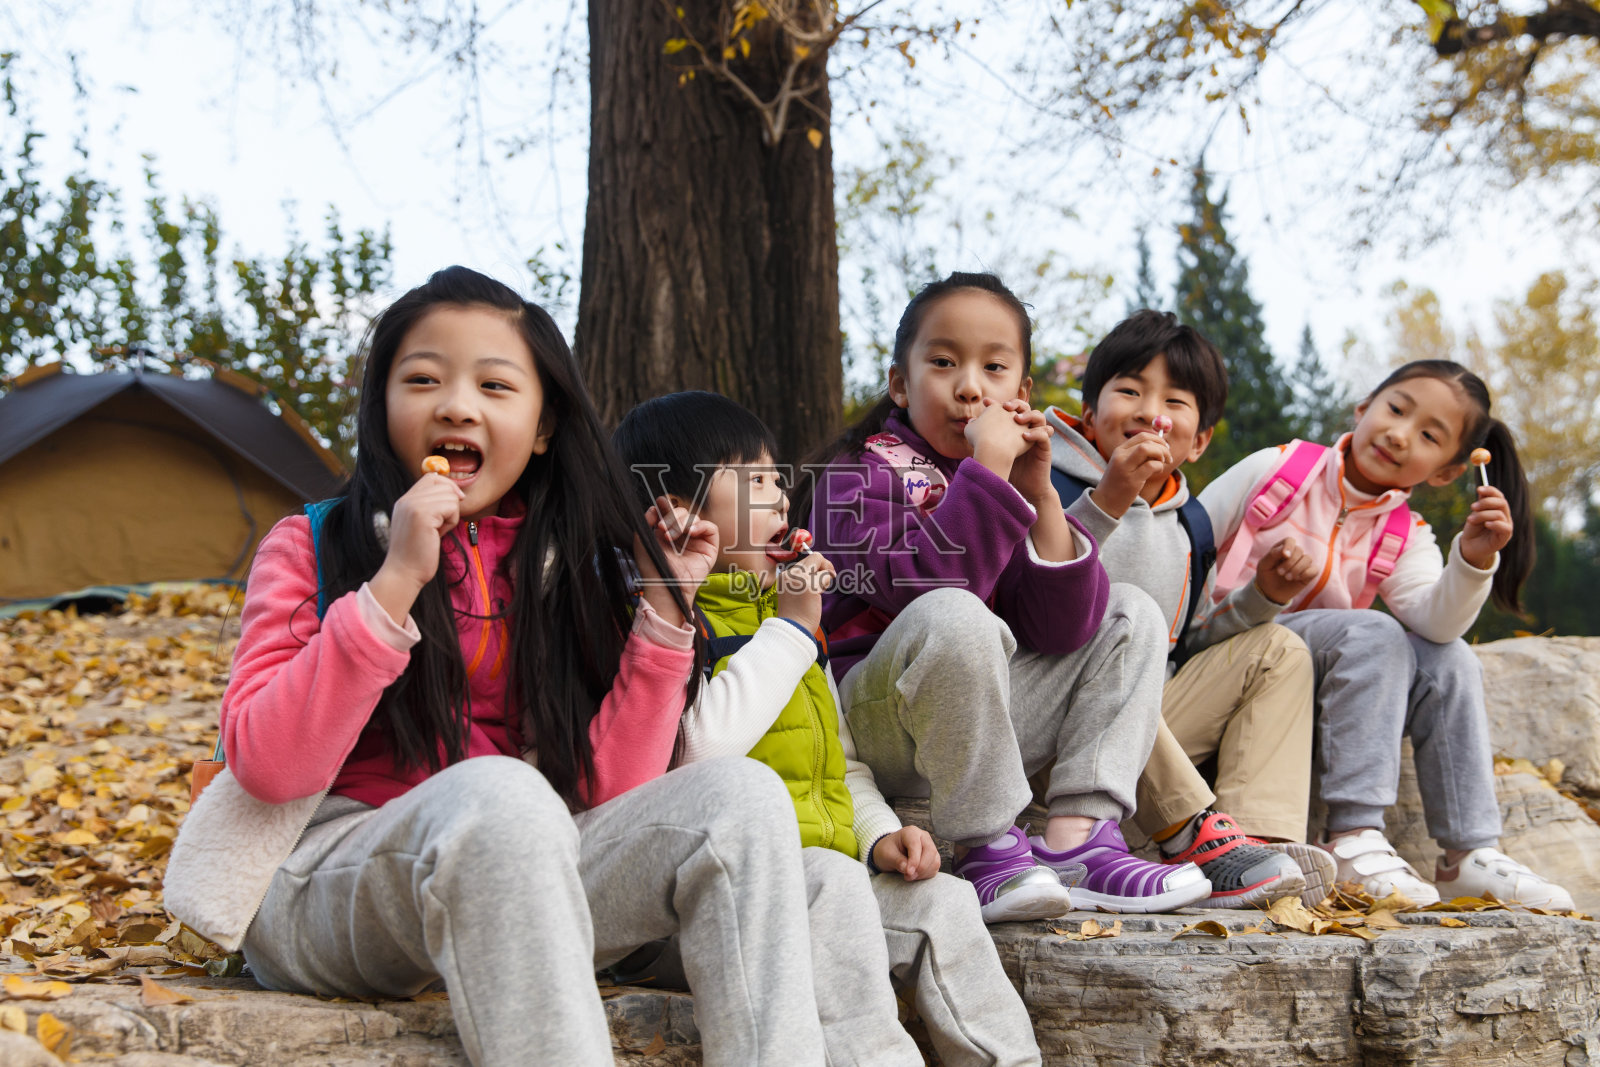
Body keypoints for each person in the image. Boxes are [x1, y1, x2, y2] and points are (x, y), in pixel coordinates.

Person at [164, 266, 831, 1066]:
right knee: (504, 792)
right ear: (383, 406)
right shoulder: (314, 542)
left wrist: (662, 611)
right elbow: (269, 764)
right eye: (423, 378)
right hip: (329, 879)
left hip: (526, 869)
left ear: (544, 425)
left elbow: (611, 796)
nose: (456, 403)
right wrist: (392, 586)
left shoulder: (571, 567)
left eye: (495, 384)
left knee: (740, 795)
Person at [614, 390, 1042, 1066]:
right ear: (676, 511)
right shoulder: (671, 622)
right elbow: (698, 757)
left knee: (943, 903)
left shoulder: (787, 616)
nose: (781, 495)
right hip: (717, 907)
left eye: (776, 478)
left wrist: (877, 837)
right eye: (753, 481)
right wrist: (789, 628)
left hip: (829, 878)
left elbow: (841, 763)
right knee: (828, 884)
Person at [796, 271, 1211, 917]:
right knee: (955, 613)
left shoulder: (1003, 482)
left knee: (1130, 609)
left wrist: (1040, 491)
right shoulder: (860, 474)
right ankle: (988, 842)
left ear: (1020, 393)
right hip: (879, 715)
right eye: (943, 362)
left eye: (993, 368)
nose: (969, 386)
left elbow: (1060, 628)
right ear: (900, 384)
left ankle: (1079, 838)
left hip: (979, 717)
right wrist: (988, 474)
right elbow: (928, 587)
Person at [1196, 358, 1575, 910]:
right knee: (1375, 631)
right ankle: (1352, 833)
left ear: (1445, 470)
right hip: (1229, 652)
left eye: (1428, 435)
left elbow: (1437, 624)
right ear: (1363, 408)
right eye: (1396, 410)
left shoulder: (1406, 532)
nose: (1400, 435)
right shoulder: (1277, 471)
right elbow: (1188, 543)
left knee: (1450, 659)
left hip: (1310, 677)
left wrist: (1472, 560)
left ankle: (1467, 854)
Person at [1044, 309, 1331, 908]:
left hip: (1154, 729)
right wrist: (1109, 500)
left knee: (1279, 648)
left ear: (1198, 441)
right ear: (1090, 415)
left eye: (1175, 401)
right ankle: (1190, 833)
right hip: (1055, 727)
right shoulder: (1046, 481)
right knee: (1117, 630)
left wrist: (1263, 596)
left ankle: (1257, 842)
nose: (1152, 412)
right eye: (1129, 391)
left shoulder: (1193, 524)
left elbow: (1191, 638)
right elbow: (1038, 605)